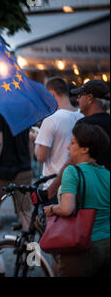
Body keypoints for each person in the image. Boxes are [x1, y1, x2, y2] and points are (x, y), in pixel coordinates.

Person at [44, 123, 110, 277]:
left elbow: (67, 208)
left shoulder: (72, 172)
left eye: (72, 143)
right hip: (107, 244)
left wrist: (51, 209)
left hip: (82, 247)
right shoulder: (107, 173)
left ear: (85, 149)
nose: (68, 147)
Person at [47, 80, 110, 200]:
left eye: (80, 96)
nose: (77, 100)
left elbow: (73, 159)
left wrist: (52, 190)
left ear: (90, 98)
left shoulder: (84, 125)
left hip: (89, 190)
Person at [0, 107, 33, 231]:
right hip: (24, 168)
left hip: (3, 170)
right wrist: (28, 161)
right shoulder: (25, 110)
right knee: (24, 211)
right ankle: (31, 248)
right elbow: (30, 141)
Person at [30, 77, 84, 189]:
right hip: (77, 183)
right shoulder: (82, 116)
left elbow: (41, 157)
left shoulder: (51, 119)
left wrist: (36, 139)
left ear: (52, 94)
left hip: (53, 185)